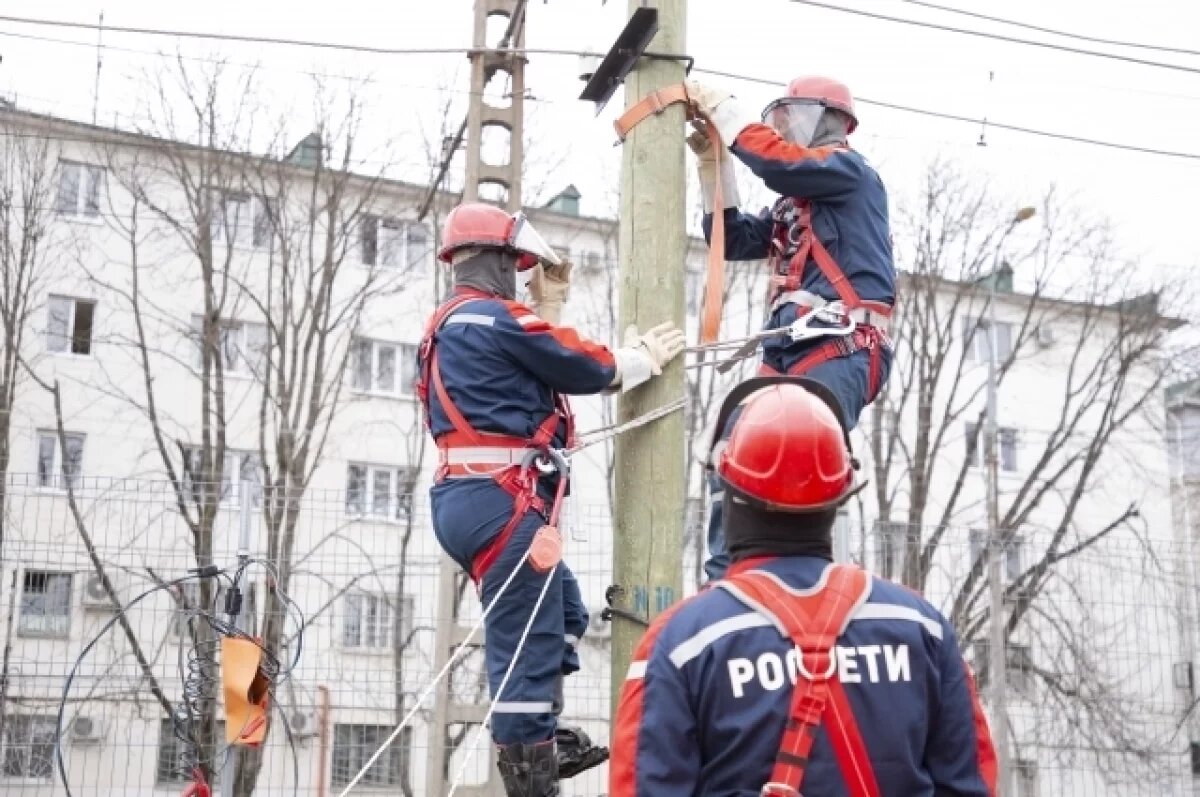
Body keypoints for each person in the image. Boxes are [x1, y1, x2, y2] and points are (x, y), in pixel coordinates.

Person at [610, 378, 997, 797]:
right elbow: (971, 784)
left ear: (731, 498)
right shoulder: (922, 628)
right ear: (839, 496)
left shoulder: (682, 643)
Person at [417, 201, 686, 796]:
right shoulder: (493, 319)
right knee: (526, 655)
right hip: (500, 505)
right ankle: (532, 773)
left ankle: (546, 739)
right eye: (515, 263)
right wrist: (641, 358)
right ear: (495, 259)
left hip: (470, 500)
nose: (518, 273)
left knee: (562, 610)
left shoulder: (448, 325)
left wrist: (550, 305)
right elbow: (578, 365)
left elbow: (522, 374)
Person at [683, 75, 897, 581]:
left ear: (830, 120)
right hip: (791, 346)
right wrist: (714, 166)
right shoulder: (793, 205)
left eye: (791, 119)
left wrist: (733, 120)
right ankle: (730, 579)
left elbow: (781, 164)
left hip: (840, 345)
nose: (784, 130)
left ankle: (807, 581)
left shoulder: (849, 172)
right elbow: (730, 238)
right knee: (734, 452)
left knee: (800, 455)